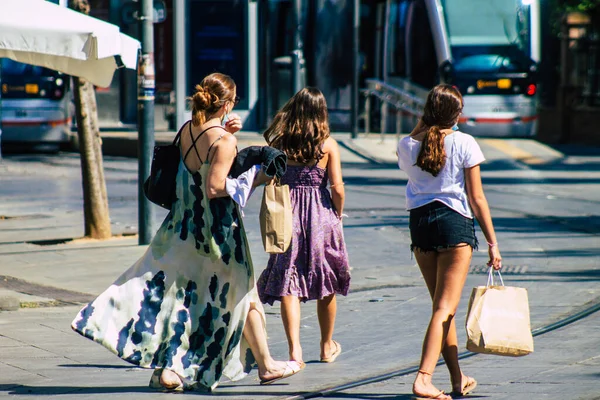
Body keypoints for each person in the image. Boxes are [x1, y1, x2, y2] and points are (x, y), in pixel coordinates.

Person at [71, 72, 302, 392]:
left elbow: (197, 167)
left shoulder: (187, 130)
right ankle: (265, 366)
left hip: (182, 229)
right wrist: (255, 172)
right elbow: (215, 186)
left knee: (185, 298)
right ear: (228, 103)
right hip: (218, 235)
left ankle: (175, 370)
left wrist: (229, 137)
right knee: (243, 293)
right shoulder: (224, 141)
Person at [396, 84, 502, 400]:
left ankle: (457, 378)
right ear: (456, 114)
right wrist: (493, 242)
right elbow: (477, 197)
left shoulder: (406, 144)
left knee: (443, 309)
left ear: (427, 113)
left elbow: (417, 143)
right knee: (444, 308)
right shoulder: (465, 142)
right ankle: (424, 378)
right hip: (454, 224)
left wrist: (423, 122)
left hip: (421, 226)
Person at [257, 87, 351, 366]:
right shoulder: (328, 145)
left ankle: (295, 350)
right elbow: (338, 188)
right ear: (321, 112)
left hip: (288, 212)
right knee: (327, 278)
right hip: (321, 214)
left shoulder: (282, 144)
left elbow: (267, 176)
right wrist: (338, 214)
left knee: (288, 280)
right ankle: (325, 345)